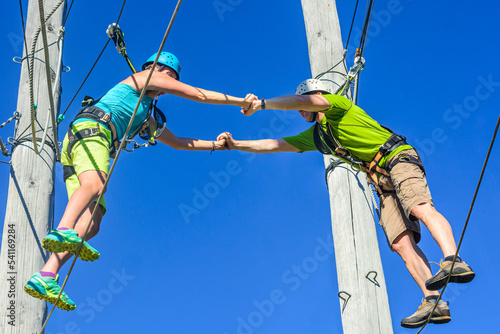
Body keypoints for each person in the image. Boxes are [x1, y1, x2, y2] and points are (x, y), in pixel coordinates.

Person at [217, 78, 475, 329]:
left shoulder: (336, 105)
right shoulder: (319, 136)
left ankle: (454, 259)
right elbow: (276, 144)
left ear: (317, 96)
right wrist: (236, 144)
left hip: (396, 158)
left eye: (304, 104)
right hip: (379, 180)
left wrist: (262, 104)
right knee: (400, 242)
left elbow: (299, 100)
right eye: (298, 108)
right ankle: (434, 301)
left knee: (418, 206)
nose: (299, 109)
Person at [24, 51, 254, 311]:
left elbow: (178, 143)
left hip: (80, 140)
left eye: (171, 77)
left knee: (93, 220)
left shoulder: (144, 116)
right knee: (97, 184)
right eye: (168, 75)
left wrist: (217, 145)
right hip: (93, 129)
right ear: (153, 69)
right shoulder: (143, 78)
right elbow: (198, 95)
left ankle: (46, 276)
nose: (168, 82)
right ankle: (63, 229)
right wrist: (240, 102)